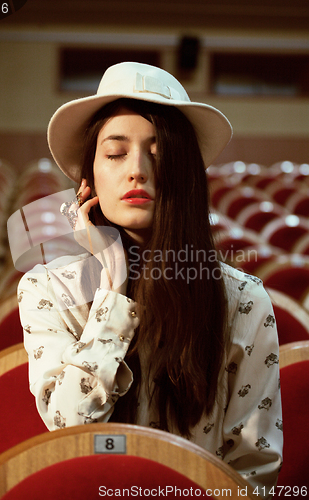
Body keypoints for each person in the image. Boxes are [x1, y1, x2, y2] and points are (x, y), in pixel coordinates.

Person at [17, 62, 282, 495]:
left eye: (158, 154)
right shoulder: (47, 289)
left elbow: (253, 469)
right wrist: (113, 286)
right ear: (88, 184)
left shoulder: (243, 299)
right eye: (116, 153)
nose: (137, 169)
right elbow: (68, 423)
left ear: (187, 177)